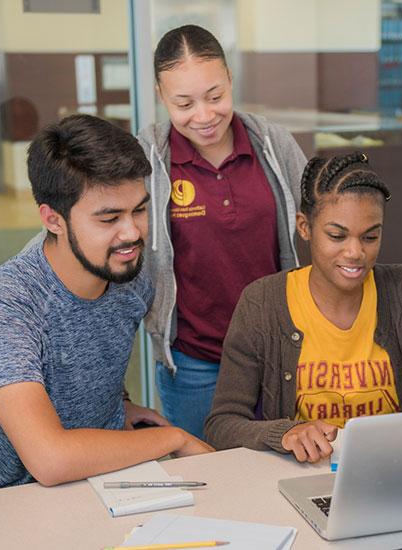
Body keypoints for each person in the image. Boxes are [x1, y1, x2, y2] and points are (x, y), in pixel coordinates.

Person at [0, 114, 213, 493]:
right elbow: (50, 459)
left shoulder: (128, 275)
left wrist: (121, 404)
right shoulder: (7, 304)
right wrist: (174, 438)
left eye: (139, 210)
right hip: (9, 499)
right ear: (53, 219)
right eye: (109, 218)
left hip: (106, 480)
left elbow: (91, 357)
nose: (131, 233)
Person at [204, 152, 402, 462]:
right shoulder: (262, 303)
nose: (356, 252)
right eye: (337, 235)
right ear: (304, 227)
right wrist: (284, 433)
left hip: (400, 466)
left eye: (370, 236)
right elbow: (222, 425)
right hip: (304, 475)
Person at [138, 24, 307, 439]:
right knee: (207, 479)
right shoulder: (147, 158)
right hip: (195, 362)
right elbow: (91, 225)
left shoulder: (273, 143)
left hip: (279, 353)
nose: (204, 115)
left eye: (215, 96)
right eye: (184, 103)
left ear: (230, 80)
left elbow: (322, 219)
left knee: (278, 473)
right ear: (161, 96)